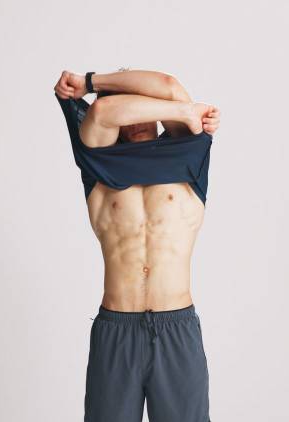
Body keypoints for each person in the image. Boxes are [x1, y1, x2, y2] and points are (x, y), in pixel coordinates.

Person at [53, 68, 221, 422]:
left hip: (177, 328)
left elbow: (169, 87)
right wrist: (184, 112)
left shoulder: (188, 155)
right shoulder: (97, 163)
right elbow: (102, 112)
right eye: (130, 108)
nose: (138, 118)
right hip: (117, 329)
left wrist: (180, 111)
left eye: (146, 106)